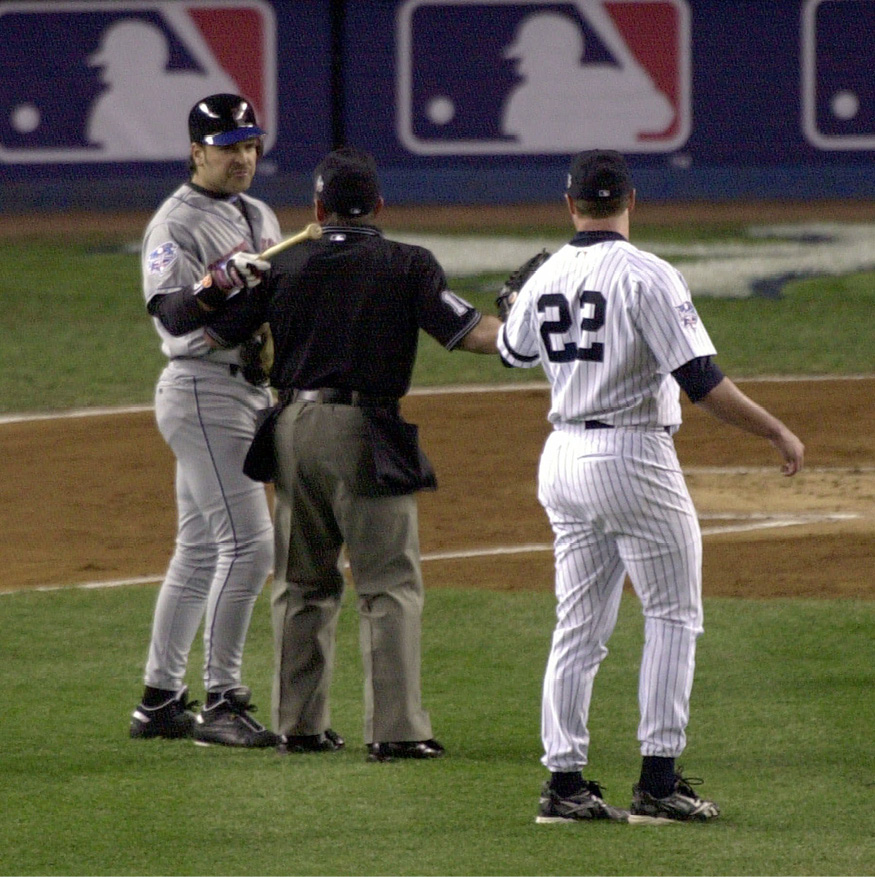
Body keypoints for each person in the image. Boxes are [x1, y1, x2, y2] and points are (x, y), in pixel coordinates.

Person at [497, 150, 805, 823]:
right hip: (632, 455)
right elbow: (703, 384)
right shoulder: (647, 274)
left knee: (577, 625)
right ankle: (658, 782)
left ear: (568, 203)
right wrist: (775, 429)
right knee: (671, 615)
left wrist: (516, 300)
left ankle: (563, 782)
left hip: (563, 459)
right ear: (629, 200)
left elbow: (512, 350)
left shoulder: (548, 271)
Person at [203, 146, 502, 760]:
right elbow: (471, 334)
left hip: (289, 429)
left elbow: (215, 330)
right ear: (379, 207)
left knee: (300, 583)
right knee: (387, 585)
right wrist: (528, 328)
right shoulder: (405, 263)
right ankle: (395, 732)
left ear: (318, 207)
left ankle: (298, 726)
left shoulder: (282, 263)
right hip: (362, 432)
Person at [129, 93, 282, 748]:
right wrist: (217, 284)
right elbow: (170, 314)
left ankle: (160, 701)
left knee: (197, 551)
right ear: (197, 152)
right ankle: (223, 699)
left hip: (245, 388)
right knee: (251, 545)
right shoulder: (176, 223)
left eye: (250, 146)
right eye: (229, 148)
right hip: (202, 390)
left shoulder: (258, 211)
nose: (243, 158)